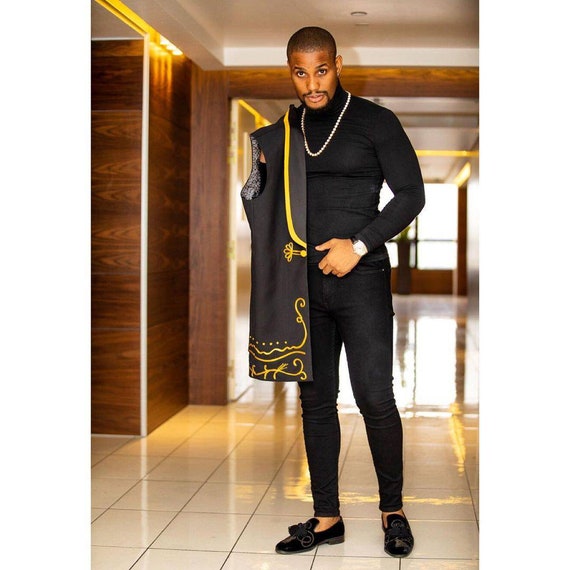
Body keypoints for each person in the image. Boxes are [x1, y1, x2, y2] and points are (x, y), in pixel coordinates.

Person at [241, 26, 425, 558]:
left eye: (321, 70)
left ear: (338, 65)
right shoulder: (280, 133)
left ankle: (393, 511)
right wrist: (258, 176)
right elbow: (259, 203)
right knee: (316, 401)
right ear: (291, 72)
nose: (312, 84)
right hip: (301, 284)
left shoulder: (375, 121)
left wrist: (359, 245)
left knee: (374, 397)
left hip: (361, 280)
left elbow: (411, 195)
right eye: (301, 73)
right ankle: (327, 518)